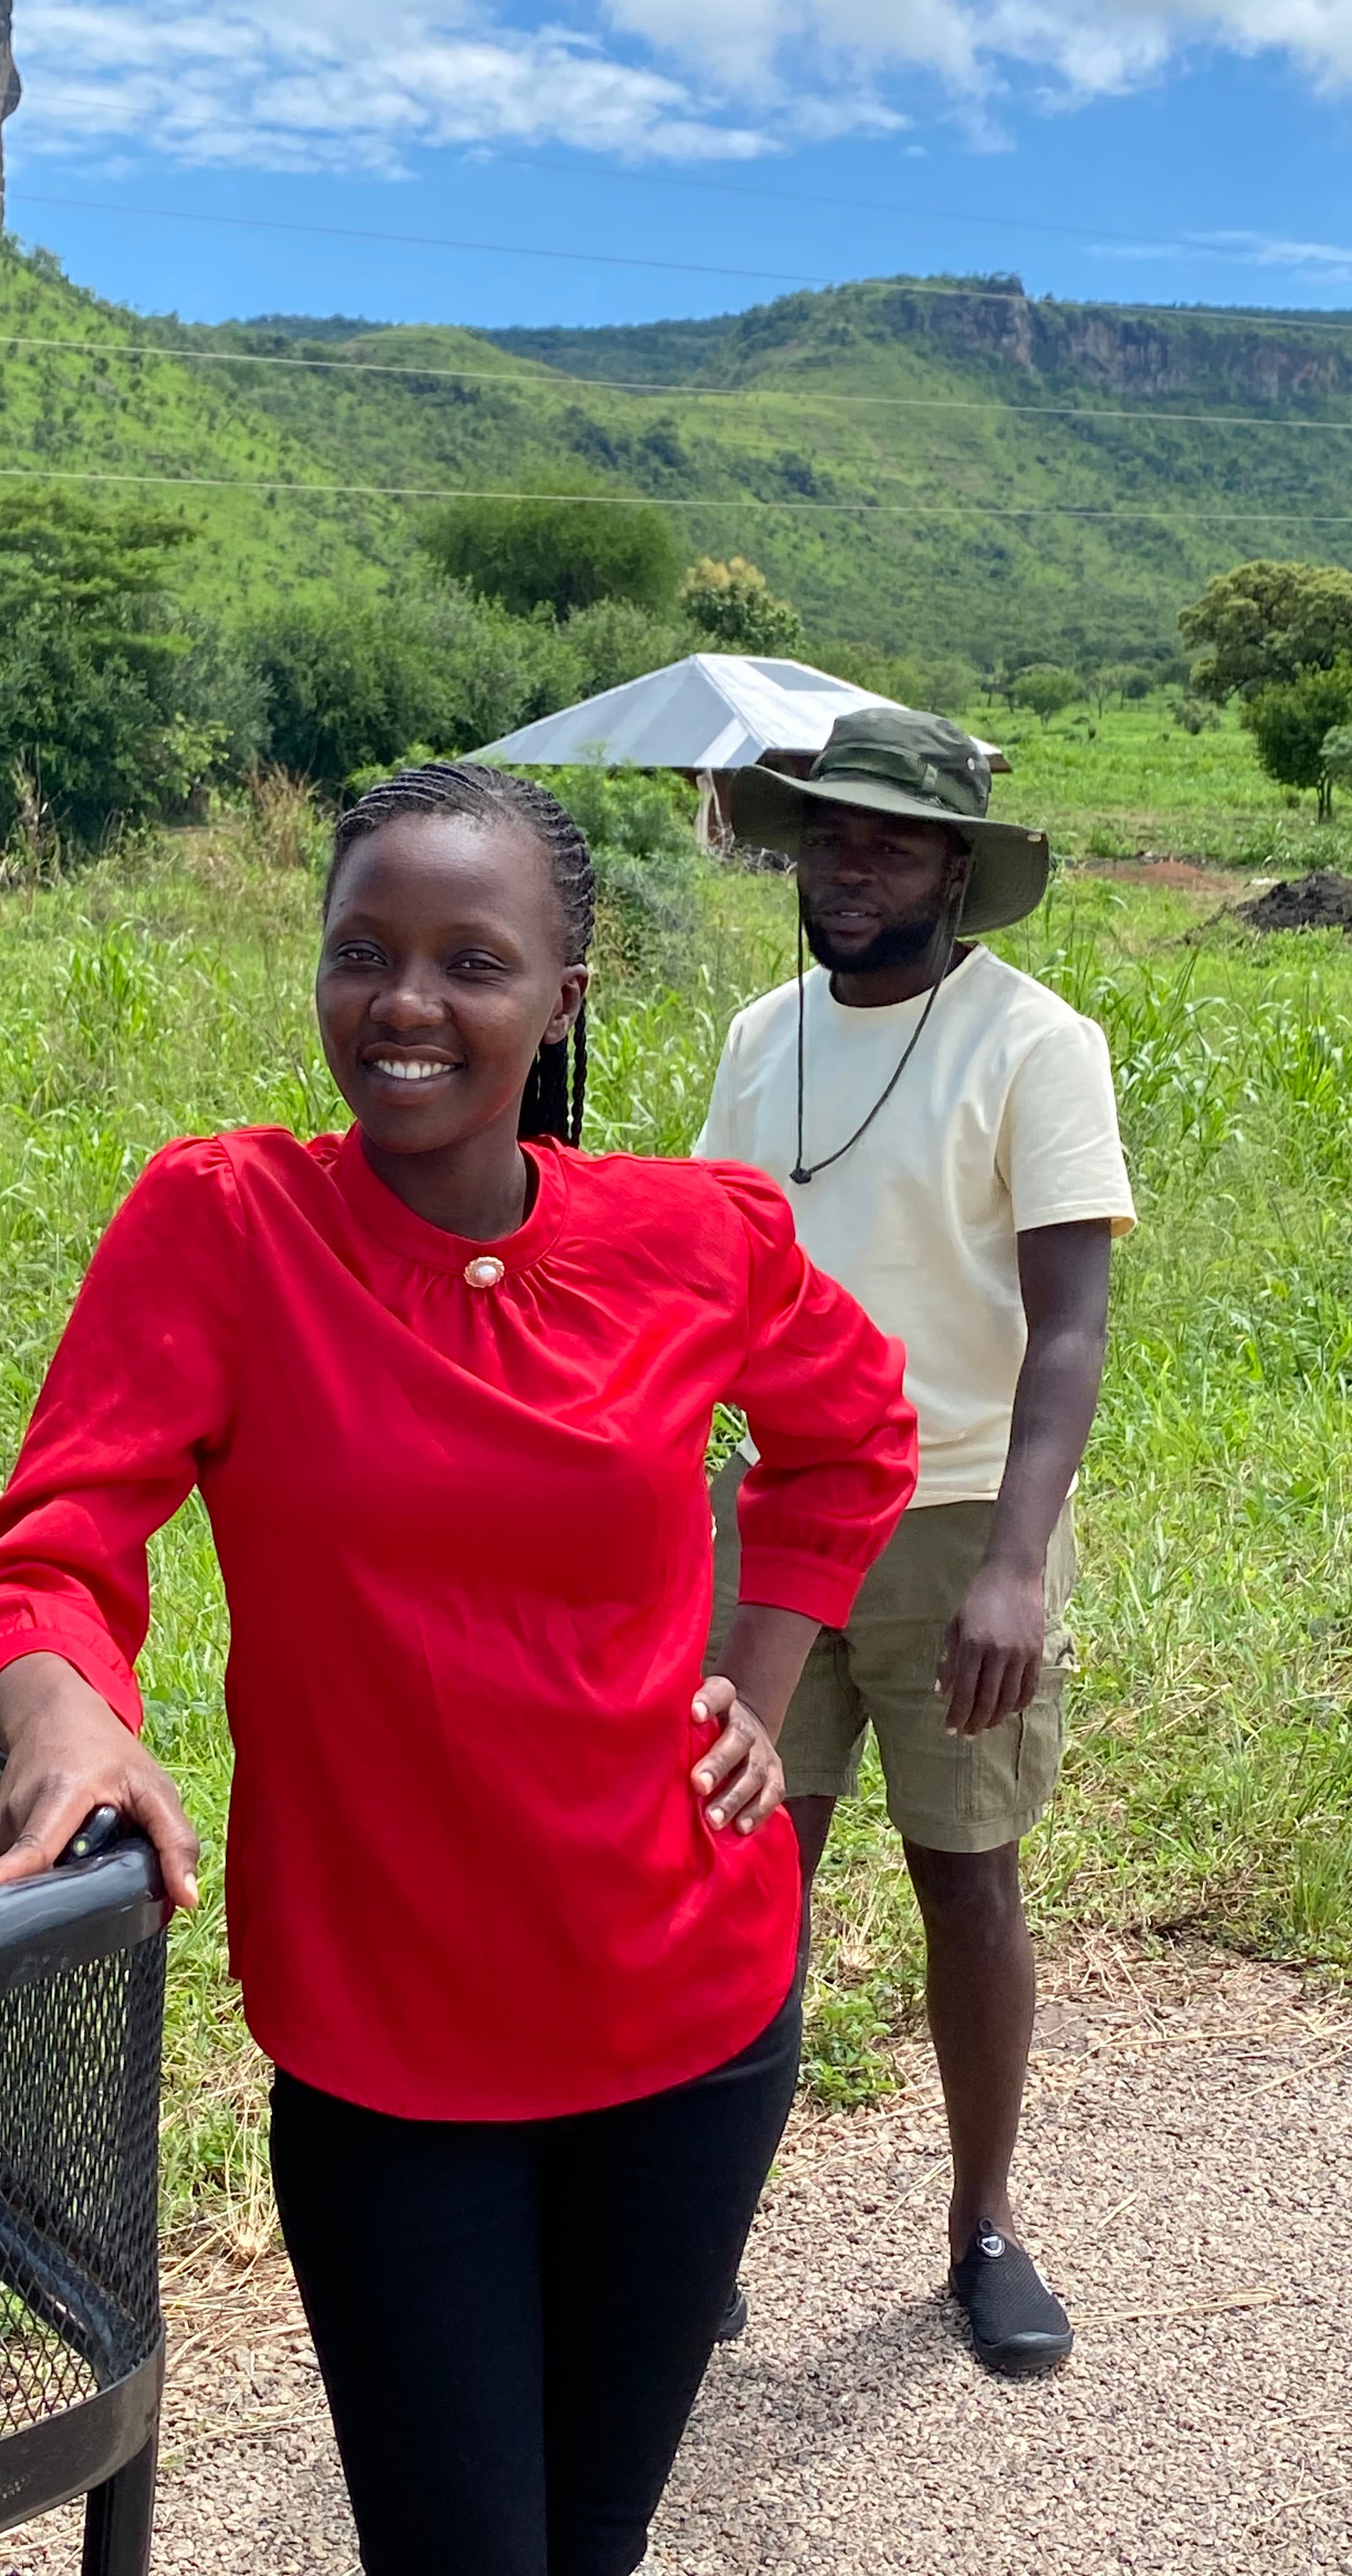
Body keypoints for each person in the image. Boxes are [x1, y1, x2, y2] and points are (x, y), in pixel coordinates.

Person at [0, 761, 917, 2576]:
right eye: (363, 952)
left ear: (563, 1000)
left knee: (593, 2538)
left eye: (474, 961)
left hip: (691, 2013)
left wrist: (755, 1697)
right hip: (394, 2055)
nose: (406, 1002)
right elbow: (50, 1548)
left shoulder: (692, 1238)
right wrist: (62, 1704)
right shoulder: (229, 1230)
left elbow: (852, 1438)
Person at [698, 708, 1134, 2376]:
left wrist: (1019, 1563)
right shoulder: (763, 1037)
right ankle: (705, 2222)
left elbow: (1071, 1325)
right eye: (826, 834)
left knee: (968, 1881)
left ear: (957, 865)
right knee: (747, 1884)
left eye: (887, 840)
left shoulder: (1035, 1043)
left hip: (960, 1524)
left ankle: (984, 2224)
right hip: (779, 1516)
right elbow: (716, 1276)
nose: (850, 865)